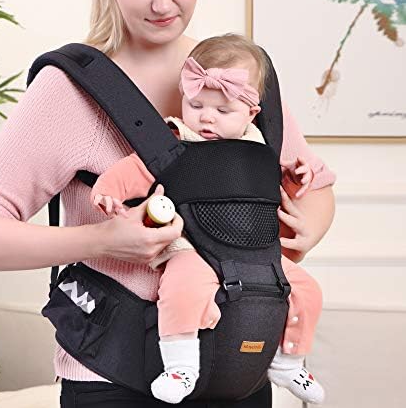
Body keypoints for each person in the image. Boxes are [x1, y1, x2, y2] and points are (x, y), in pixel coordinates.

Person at [0, 0, 336, 406]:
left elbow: (314, 186)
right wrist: (105, 239)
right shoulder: (71, 89)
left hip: (241, 372)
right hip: (116, 378)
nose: (163, 2)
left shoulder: (236, 76)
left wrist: (309, 226)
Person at [90, 34, 324, 405]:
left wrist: (296, 179)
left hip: (256, 252)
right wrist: (107, 192)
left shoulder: (261, 147)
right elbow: (133, 170)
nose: (206, 117)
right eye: (195, 104)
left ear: (251, 113)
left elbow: (274, 190)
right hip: (193, 245)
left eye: (222, 110)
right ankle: (180, 365)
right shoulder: (175, 139)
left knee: (307, 290)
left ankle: (288, 361)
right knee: (182, 285)